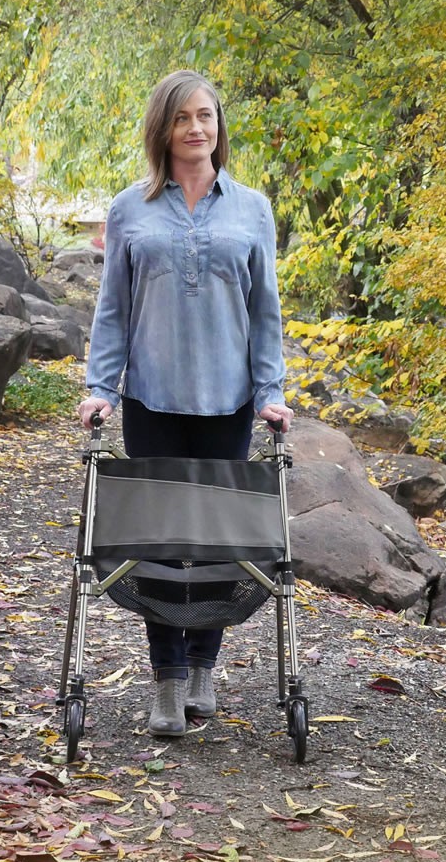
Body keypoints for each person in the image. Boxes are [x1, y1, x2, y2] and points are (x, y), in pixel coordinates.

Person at [77, 69, 294, 738]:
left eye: (207, 116)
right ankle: (167, 683)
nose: (198, 128)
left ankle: (203, 668)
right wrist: (97, 387)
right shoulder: (129, 209)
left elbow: (266, 313)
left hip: (228, 404)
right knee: (160, 548)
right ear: (163, 130)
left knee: (221, 547)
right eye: (184, 118)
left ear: (218, 126)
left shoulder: (251, 208)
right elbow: (112, 311)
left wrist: (271, 393)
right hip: (153, 401)